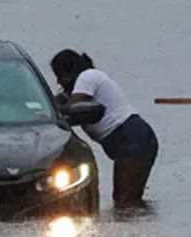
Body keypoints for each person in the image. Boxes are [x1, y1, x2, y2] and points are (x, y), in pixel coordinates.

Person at [50, 49, 158, 209]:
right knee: (128, 201)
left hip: (132, 138)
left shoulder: (88, 76)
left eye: (59, 76)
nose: (59, 82)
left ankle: (139, 229)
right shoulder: (80, 86)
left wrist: (52, 111)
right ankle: (142, 226)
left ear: (69, 71)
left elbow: (71, 108)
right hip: (134, 140)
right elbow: (55, 104)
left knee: (125, 202)